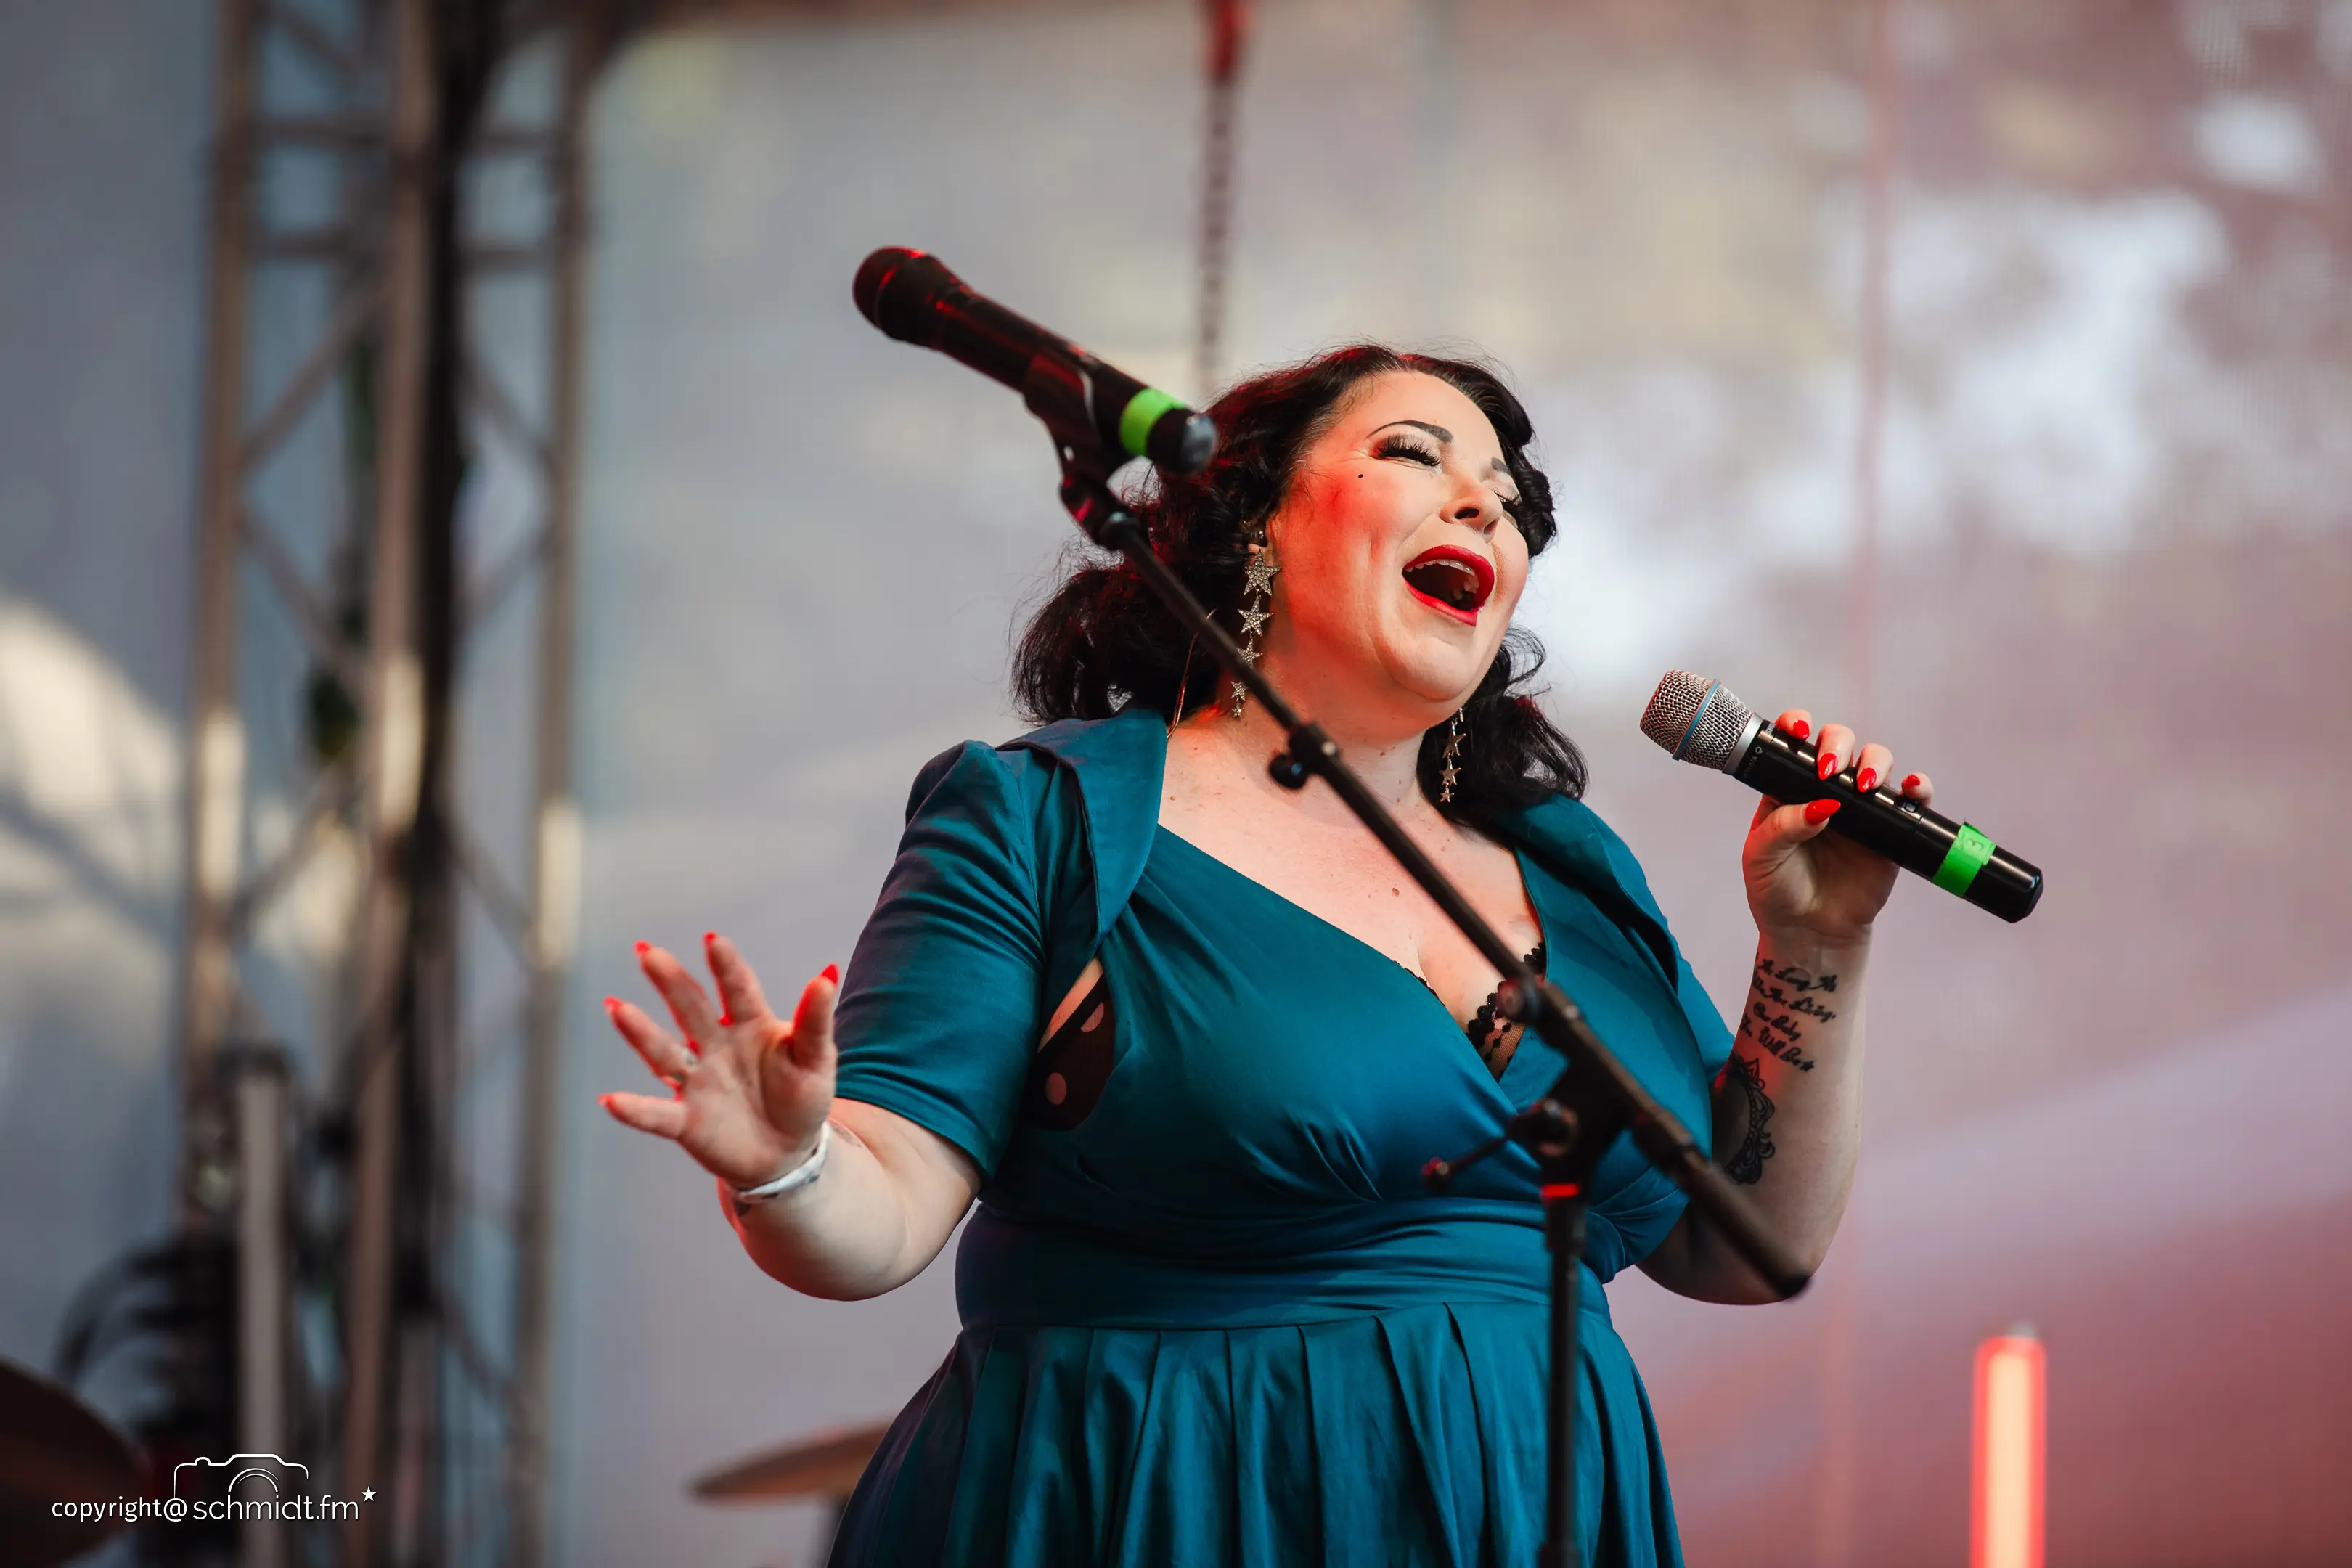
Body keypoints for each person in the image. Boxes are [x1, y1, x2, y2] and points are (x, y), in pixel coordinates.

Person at [598, 345, 1927, 1567]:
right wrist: (788, 1163)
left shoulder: (1572, 865)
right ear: (1254, 523)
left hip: (1536, 1514)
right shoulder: (1051, 817)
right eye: (1415, 455)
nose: (1485, 507)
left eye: (1511, 499)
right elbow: (881, 1210)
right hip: (1163, 1498)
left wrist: (1818, 941)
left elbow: (1753, 1242)